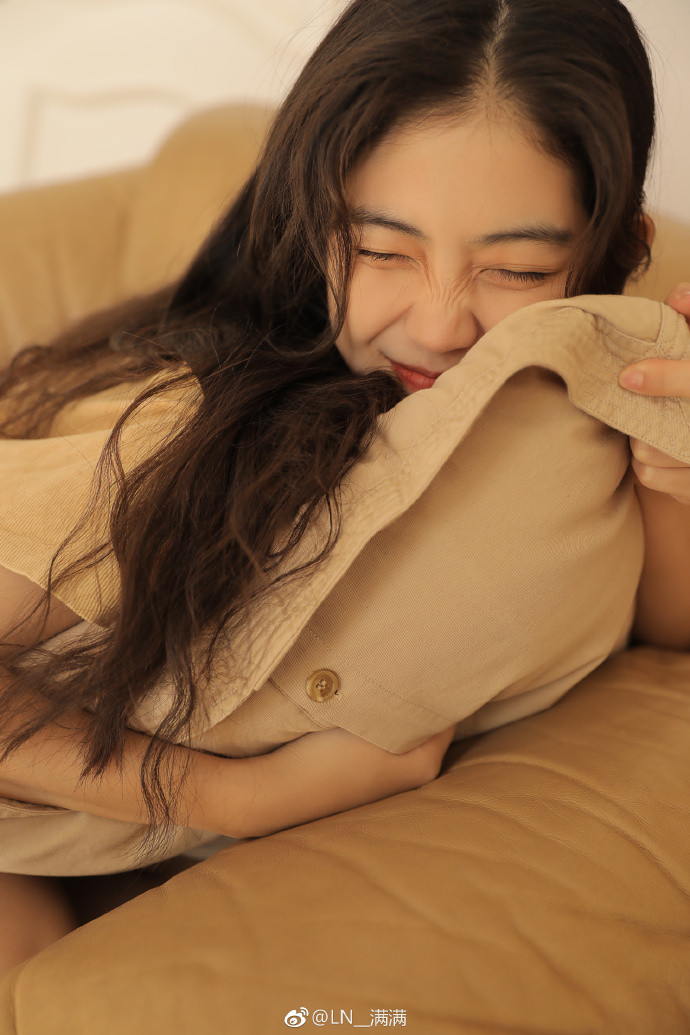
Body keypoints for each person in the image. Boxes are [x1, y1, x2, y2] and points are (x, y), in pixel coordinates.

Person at [0, 0, 689, 974]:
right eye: (380, 250)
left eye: (518, 267)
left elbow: (660, 621)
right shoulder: (173, 431)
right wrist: (225, 797)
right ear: (307, 221)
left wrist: (672, 470)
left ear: (615, 246)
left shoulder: (558, 400)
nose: (444, 324)